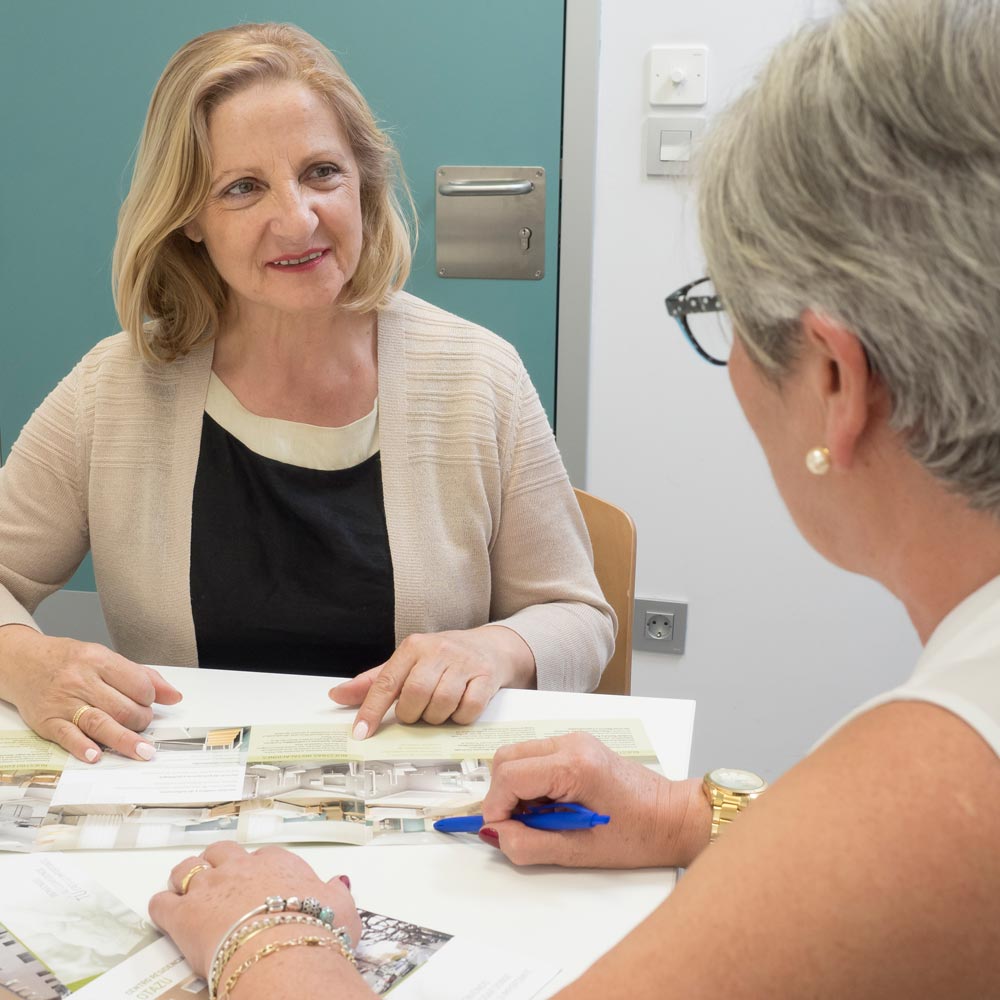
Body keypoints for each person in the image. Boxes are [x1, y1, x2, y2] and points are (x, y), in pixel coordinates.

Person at [150, 0, 1000, 995]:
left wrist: (271, 931)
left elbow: (902, 850)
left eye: (716, 312)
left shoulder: (942, 775)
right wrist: (695, 815)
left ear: (834, 384)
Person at [0, 22, 614, 766]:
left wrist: (495, 649)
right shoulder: (115, 388)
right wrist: (24, 661)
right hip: (187, 801)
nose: (296, 219)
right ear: (189, 216)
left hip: (423, 810)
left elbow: (578, 616)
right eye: (243, 187)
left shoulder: (478, 376)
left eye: (322, 172)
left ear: (364, 180)